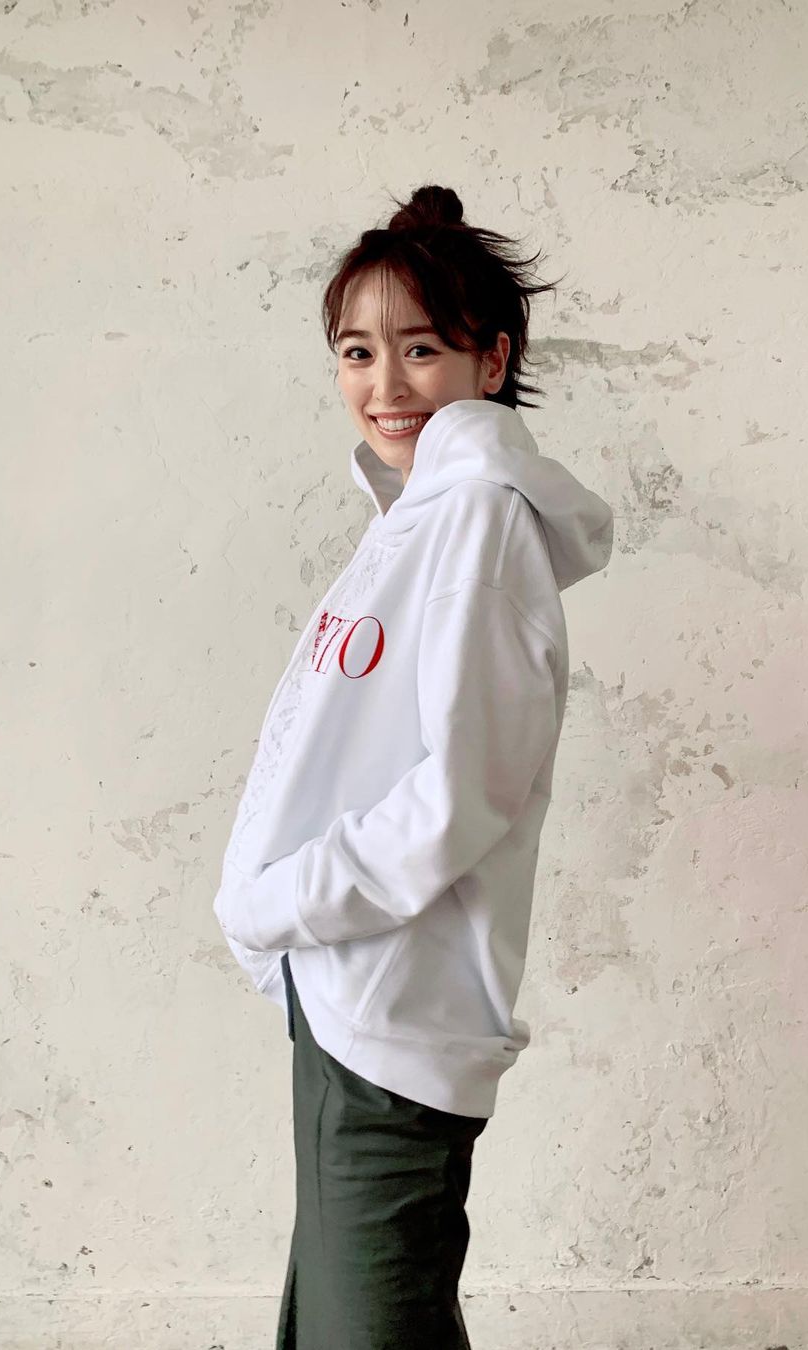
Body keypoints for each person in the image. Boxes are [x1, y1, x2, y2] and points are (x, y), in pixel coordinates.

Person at [212, 183, 615, 1349]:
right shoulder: (412, 520)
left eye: (422, 349)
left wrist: (272, 900)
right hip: (342, 988)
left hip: (396, 1002)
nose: (385, 385)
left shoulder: (478, 521)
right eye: (358, 351)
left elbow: (462, 792)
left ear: (494, 358)